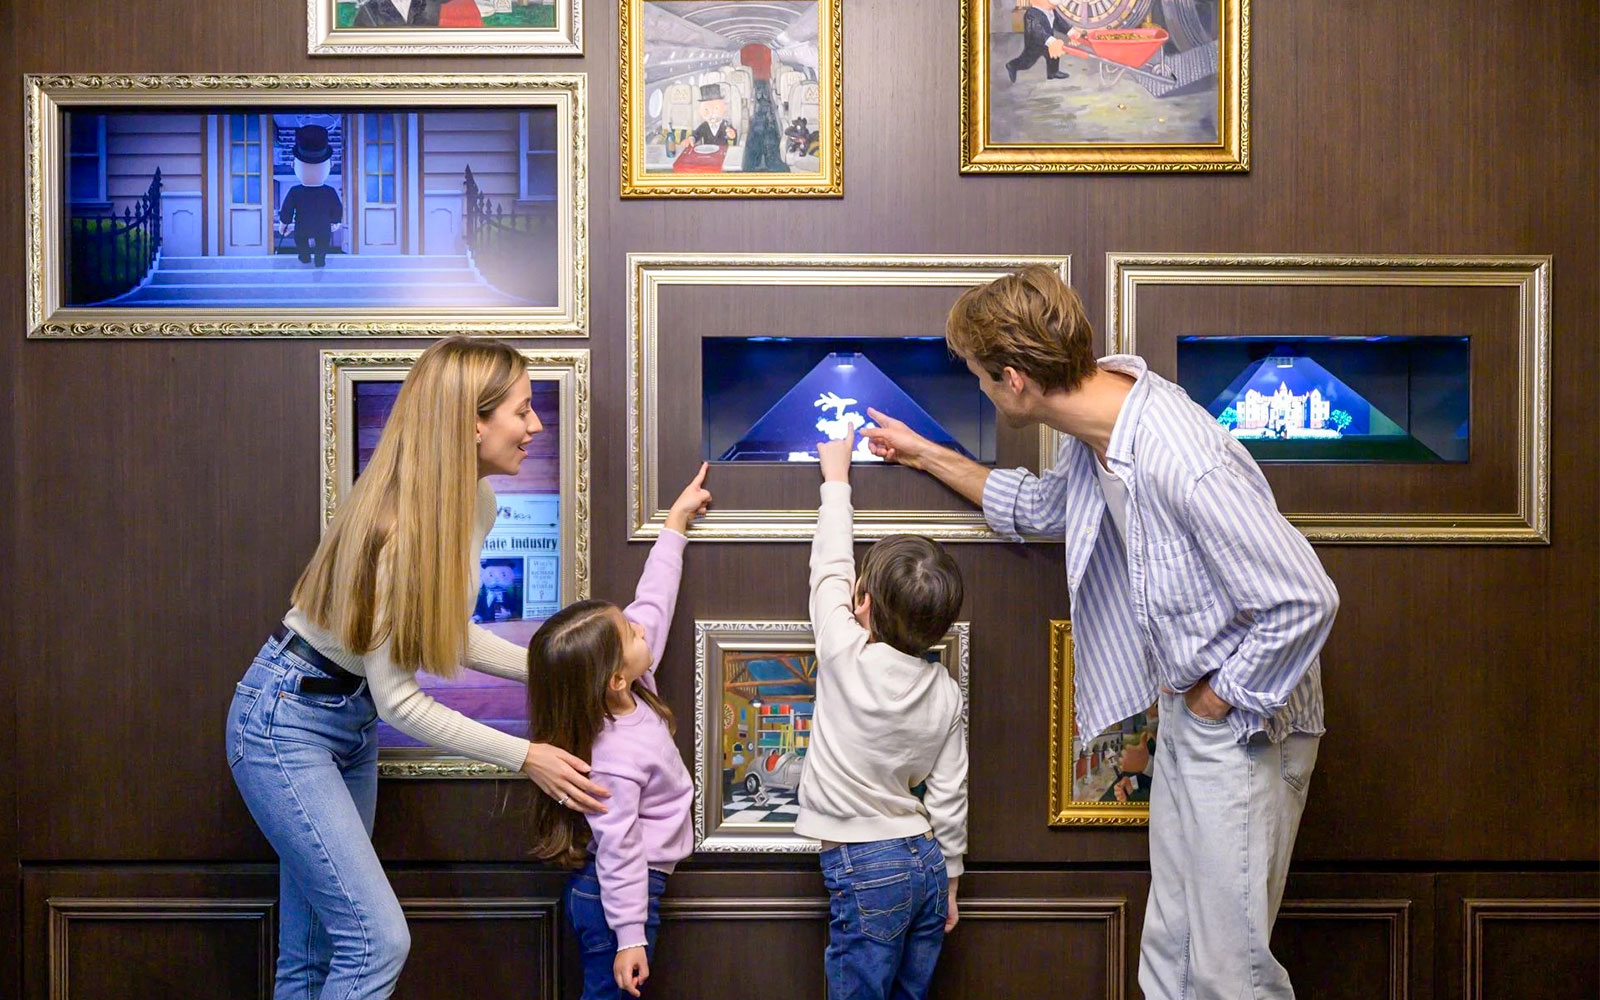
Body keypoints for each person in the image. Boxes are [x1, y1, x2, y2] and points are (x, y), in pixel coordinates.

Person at [860, 266, 1340, 1000]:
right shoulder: (1098, 433)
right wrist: (924, 452)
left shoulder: (1177, 453)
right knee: (1173, 959)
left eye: (984, 381)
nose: (984, 394)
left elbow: (1305, 598)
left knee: (1226, 976)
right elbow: (1041, 508)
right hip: (1195, 707)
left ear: (1015, 379)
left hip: (1248, 725)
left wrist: (1219, 700)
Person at [225, 337, 610, 998]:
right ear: (472, 422)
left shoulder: (472, 507)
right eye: (523, 411)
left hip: (347, 723)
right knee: (377, 941)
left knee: (314, 951)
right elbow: (401, 701)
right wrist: (528, 756)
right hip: (286, 721)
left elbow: (446, 634)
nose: (536, 426)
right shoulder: (400, 530)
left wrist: (550, 674)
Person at [525, 465, 712, 999]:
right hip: (619, 897)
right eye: (630, 632)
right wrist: (630, 936)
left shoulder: (630, 682)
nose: (640, 626)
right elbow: (621, 848)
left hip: (622, 891)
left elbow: (655, 599)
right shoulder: (612, 756)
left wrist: (675, 524)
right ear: (614, 677)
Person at [795, 428, 968, 1000]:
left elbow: (829, 570)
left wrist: (837, 481)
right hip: (924, 861)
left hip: (864, 865)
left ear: (861, 604)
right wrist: (951, 879)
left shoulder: (845, 653)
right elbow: (948, 794)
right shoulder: (944, 688)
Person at [1006, 0, 1073, 84]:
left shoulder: (1052, 11)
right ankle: (1012, 65)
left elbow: (1059, 23)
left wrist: (1070, 31)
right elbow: (1036, 31)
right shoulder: (1031, 14)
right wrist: (1051, 41)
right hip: (1035, 44)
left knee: (1053, 57)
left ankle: (1053, 72)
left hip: (1049, 41)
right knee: (1027, 62)